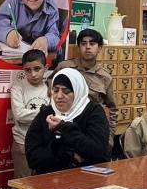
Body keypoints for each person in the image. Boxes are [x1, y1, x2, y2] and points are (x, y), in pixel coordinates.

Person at [25, 68, 110, 175]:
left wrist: (63, 127)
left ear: (77, 91)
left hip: (86, 178)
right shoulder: (46, 113)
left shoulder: (93, 112)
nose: (59, 96)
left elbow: (96, 152)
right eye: (55, 90)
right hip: (50, 178)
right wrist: (67, 153)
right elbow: (32, 158)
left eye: (66, 91)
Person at [54, 29, 118, 148]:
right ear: (78, 48)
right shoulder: (64, 67)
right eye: (83, 44)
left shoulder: (105, 77)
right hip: (66, 126)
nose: (88, 47)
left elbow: (113, 109)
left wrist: (109, 138)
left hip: (93, 129)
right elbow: (50, 91)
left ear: (99, 48)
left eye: (92, 43)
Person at [11, 50, 51, 178]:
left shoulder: (51, 89)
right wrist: (46, 113)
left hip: (46, 144)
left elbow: (58, 113)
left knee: (44, 181)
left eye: (37, 69)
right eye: (28, 70)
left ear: (46, 68)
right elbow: (20, 115)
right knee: (23, 182)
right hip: (22, 142)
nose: (33, 74)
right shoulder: (17, 89)